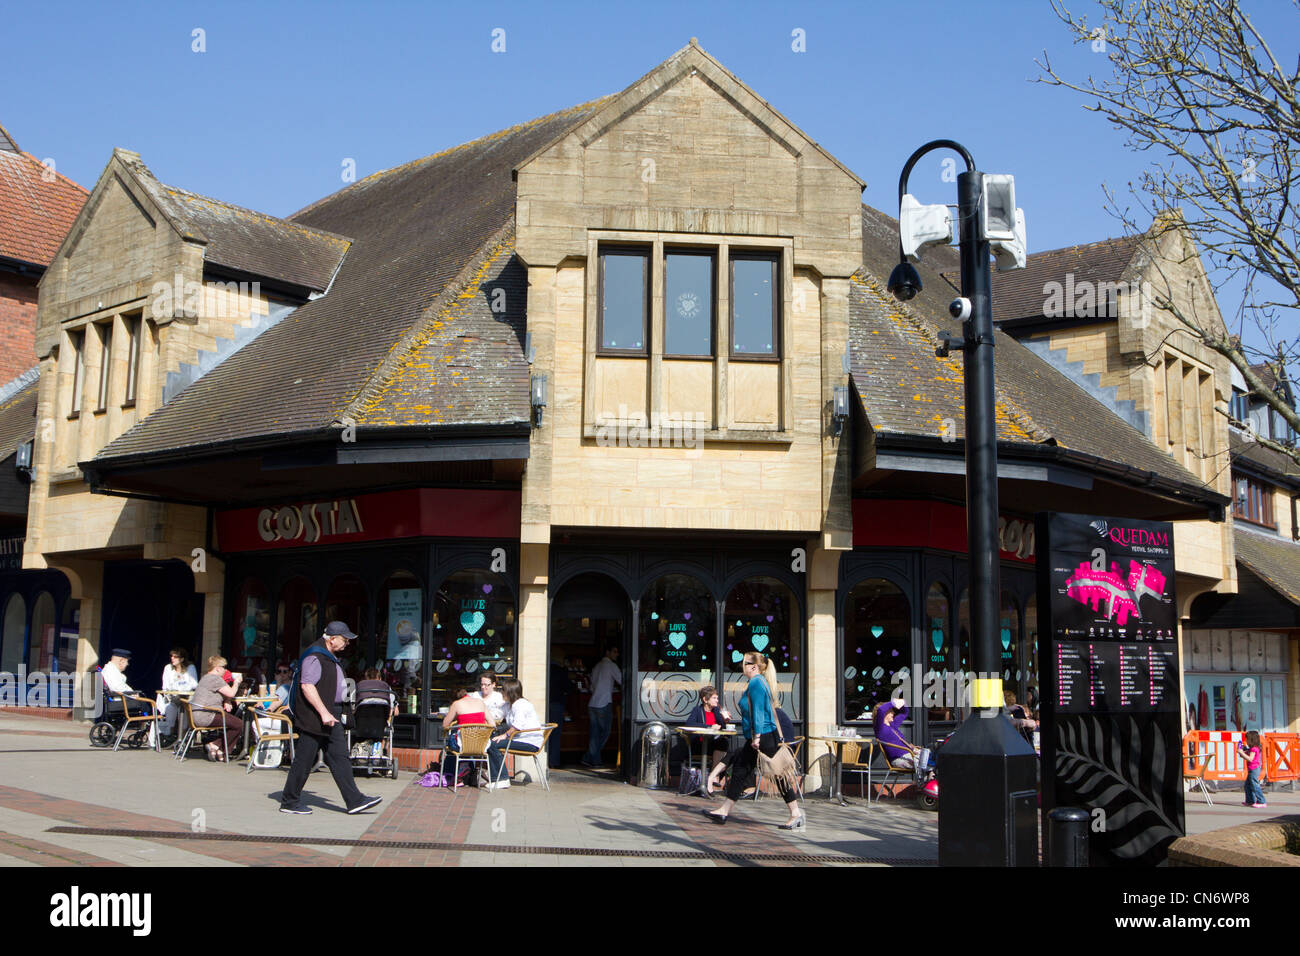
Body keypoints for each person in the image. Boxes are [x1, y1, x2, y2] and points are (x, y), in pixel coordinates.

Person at [279, 621, 382, 815]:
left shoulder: (327, 656)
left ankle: (355, 800)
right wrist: (324, 712)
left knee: (339, 757)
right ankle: (289, 802)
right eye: (344, 639)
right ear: (332, 639)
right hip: (316, 716)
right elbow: (307, 686)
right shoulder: (314, 655)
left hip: (329, 714)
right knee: (304, 759)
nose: (347, 643)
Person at [704, 652, 802, 830]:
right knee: (741, 769)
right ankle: (724, 810)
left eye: (745, 663)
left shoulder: (756, 682)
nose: (742, 665)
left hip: (763, 735)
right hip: (760, 735)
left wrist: (756, 737)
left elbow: (758, 711)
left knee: (778, 774)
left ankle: (795, 813)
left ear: (754, 667)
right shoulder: (756, 682)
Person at [486, 678, 544, 790]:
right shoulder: (509, 704)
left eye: (503, 690)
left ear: (510, 692)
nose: (502, 693)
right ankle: (496, 777)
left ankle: (502, 779)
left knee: (493, 744)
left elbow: (518, 725)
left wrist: (505, 735)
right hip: (519, 739)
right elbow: (497, 714)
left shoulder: (520, 705)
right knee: (491, 741)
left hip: (529, 742)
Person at [191, 655, 244, 761]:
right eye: (224, 667)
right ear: (217, 668)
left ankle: (217, 747)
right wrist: (237, 682)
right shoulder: (215, 679)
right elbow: (231, 693)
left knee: (232, 722)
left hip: (196, 715)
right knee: (239, 724)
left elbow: (219, 693)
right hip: (207, 715)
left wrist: (226, 700)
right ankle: (219, 748)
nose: (226, 670)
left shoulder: (205, 677)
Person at [442, 685, 491, 786]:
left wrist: (456, 716)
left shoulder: (456, 704)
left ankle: (458, 771)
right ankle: (465, 768)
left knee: (452, 739)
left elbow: (445, 725)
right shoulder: (480, 702)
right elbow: (492, 724)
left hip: (463, 746)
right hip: (481, 745)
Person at [582, 645, 621, 767]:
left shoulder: (597, 666)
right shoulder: (611, 666)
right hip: (604, 703)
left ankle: (590, 758)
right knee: (605, 733)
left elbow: (592, 687)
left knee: (594, 734)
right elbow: (622, 680)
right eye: (615, 651)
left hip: (593, 703)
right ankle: (592, 758)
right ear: (607, 652)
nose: (617, 654)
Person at [155, 647, 198, 745]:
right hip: (173, 698)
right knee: (170, 708)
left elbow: (194, 684)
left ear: (182, 659)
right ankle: (169, 735)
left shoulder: (190, 667)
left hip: (187, 698)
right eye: (171, 656)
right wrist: (170, 691)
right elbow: (165, 686)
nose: (172, 658)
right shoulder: (168, 668)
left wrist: (182, 688)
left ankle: (182, 739)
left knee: (185, 712)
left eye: (175, 657)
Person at [687, 685, 733, 770]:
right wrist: (710, 726)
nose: (717, 700)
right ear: (705, 699)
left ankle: (713, 774)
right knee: (723, 745)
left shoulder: (716, 711)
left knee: (726, 746)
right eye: (714, 698)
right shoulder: (697, 710)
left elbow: (722, 728)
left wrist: (725, 722)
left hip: (714, 743)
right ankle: (715, 776)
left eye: (717, 698)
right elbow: (690, 724)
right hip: (700, 744)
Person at [873, 698, 920, 769]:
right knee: (923, 763)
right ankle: (930, 777)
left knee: (930, 758)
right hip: (899, 759)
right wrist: (894, 702)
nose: (893, 713)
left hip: (909, 755)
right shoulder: (880, 728)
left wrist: (903, 703)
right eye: (891, 711)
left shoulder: (893, 725)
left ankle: (929, 777)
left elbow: (905, 713)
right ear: (885, 713)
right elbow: (881, 710)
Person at [548, 657, 572, 768]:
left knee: (544, 732)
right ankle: (553, 761)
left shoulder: (546, 668)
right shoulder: (561, 671)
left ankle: (545, 759)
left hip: (545, 704)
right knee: (556, 733)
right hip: (557, 703)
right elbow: (569, 687)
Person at [1238, 730, 1266, 809]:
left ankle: (1262, 801)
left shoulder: (1254, 749)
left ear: (1251, 740)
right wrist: (1242, 752)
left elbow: (1250, 759)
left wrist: (1242, 752)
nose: (1246, 741)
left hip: (1254, 769)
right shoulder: (1252, 749)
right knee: (1247, 785)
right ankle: (1250, 801)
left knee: (1254, 785)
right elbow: (1245, 756)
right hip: (1251, 769)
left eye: (1247, 739)